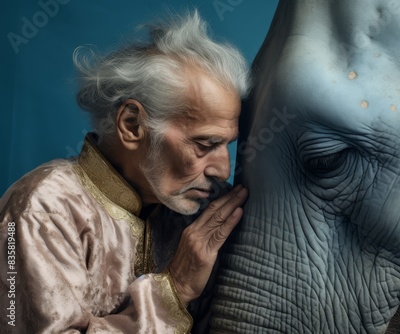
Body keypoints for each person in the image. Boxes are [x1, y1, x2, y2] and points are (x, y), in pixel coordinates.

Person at [0, 11, 250, 333]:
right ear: (132, 125)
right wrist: (174, 291)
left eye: (227, 145)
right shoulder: (41, 210)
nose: (223, 170)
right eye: (204, 144)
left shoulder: (200, 210)